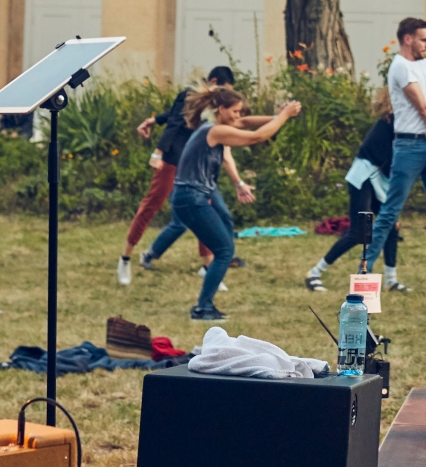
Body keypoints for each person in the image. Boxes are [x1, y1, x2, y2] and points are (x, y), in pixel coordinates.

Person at [158, 86, 300, 321]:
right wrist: (283, 117)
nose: (237, 115)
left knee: (223, 246)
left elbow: (245, 123)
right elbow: (257, 136)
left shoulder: (212, 126)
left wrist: (280, 116)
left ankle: (204, 305)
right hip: (191, 197)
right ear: (221, 110)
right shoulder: (215, 131)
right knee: (225, 250)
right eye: (233, 111)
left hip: (190, 196)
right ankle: (203, 308)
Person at [363, 18, 426, 302]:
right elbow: (422, 109)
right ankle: (362, 280)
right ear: (407, 39)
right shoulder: (400, 67)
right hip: (409, 145)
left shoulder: (422, 65)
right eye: (423, 40)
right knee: (390, 214)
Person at [121, 68, 232, 285]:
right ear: (214, 81)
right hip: (172, 157)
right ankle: (125, 257)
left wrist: (153, 120)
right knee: (152, 204)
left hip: (194, 161)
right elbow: (175, 122)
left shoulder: (213, 102)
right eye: (222, 90)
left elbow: (173, 115)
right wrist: (158, 153)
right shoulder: (191, 93)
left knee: (204, 208)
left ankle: (209, 266)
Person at [306, 90, 405, 292]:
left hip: (379, 179)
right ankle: (314, 273)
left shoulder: (401, 123)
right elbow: (391, 161)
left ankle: (391, 280)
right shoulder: (392, 122)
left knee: (392, 227)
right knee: (361, 231)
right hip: (364, 177)